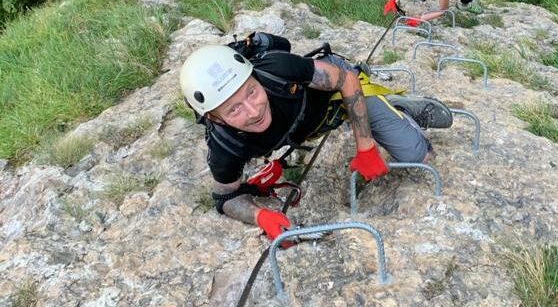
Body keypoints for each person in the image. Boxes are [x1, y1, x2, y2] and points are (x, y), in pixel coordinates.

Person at [179, 35, 453, 242]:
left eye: (251, 92)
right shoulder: (225, 147)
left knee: (417, 157)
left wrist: (366, 147)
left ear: (254, 76)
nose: (254, 111)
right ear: (214, 118)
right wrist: (260, 216)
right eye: (234, 109)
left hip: (334, 97)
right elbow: (225, 198)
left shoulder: (277, 70)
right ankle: (388, 109)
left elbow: (346, 81)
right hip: (307, 124)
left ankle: (394, 107)